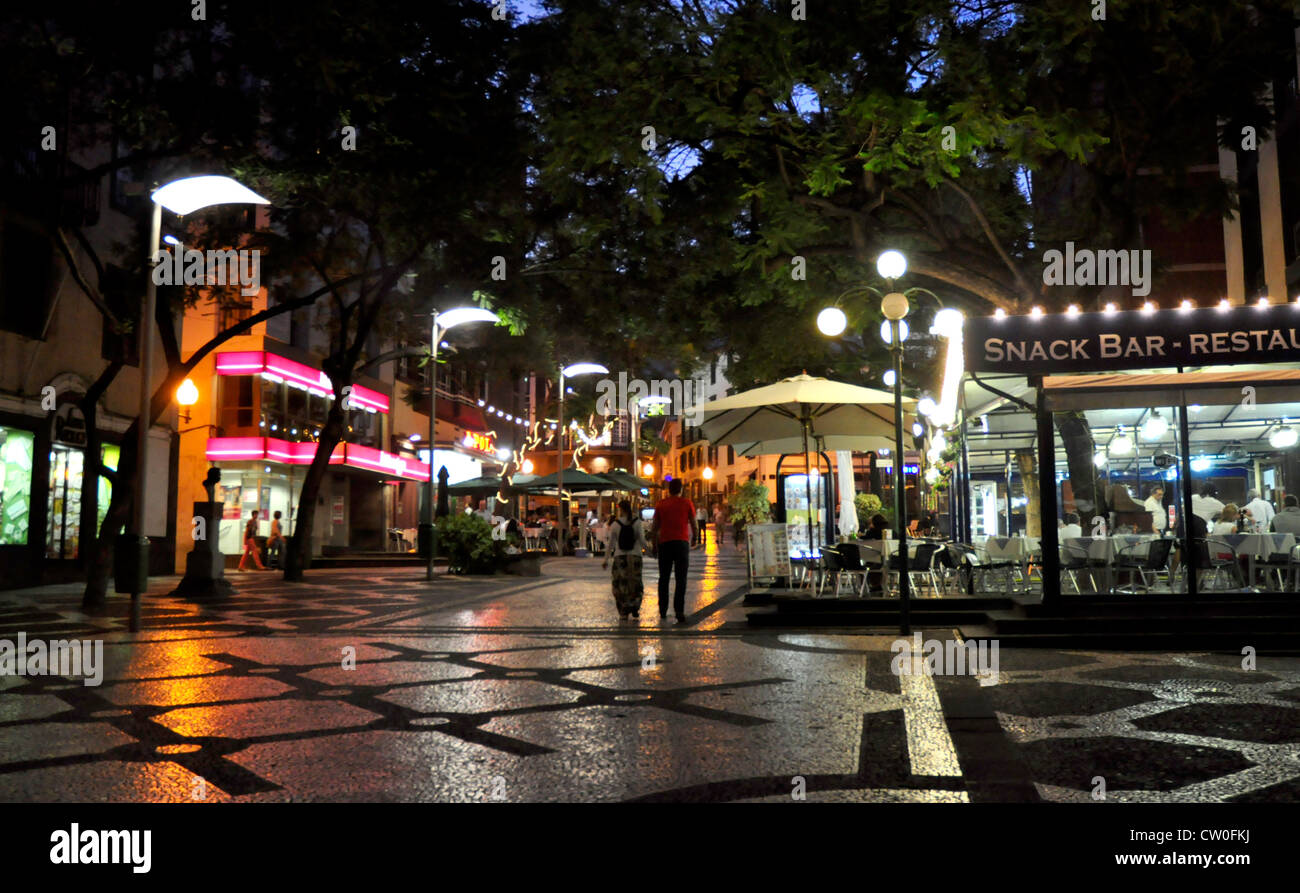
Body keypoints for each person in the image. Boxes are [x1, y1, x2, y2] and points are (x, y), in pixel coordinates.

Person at [651, 478, 697, 623]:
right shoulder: (687, 503)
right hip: (681, 543)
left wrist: (654, 545)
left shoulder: (661, 504)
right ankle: (679, 611)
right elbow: (694, 523)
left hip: (665, 544)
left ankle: (663, 609)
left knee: (663, 578)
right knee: (681, 578)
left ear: (669, 490)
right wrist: (695, 537)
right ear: (681, 489)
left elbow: (654, 527)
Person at [602, 499, 647, 621]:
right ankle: (635, 608)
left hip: (620, 558)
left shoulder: (615, 524)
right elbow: (642, 541)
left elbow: (610, 545)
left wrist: (606, 560)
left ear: (620, 509)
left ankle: (623, 611)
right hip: (635, 557)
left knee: (619, 584)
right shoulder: (638, 522)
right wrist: (650, 551)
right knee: (635, 583)